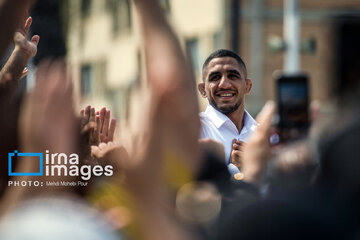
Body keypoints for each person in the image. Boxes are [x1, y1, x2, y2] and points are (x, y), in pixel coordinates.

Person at [198, 49, 256, 174]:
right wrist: (235, 168)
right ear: (203, 89)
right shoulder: (194, 130)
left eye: (233, 76)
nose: (224, 84)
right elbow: (191, 188)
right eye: (215, 77)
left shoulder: (261, 134)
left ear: (247, 86)